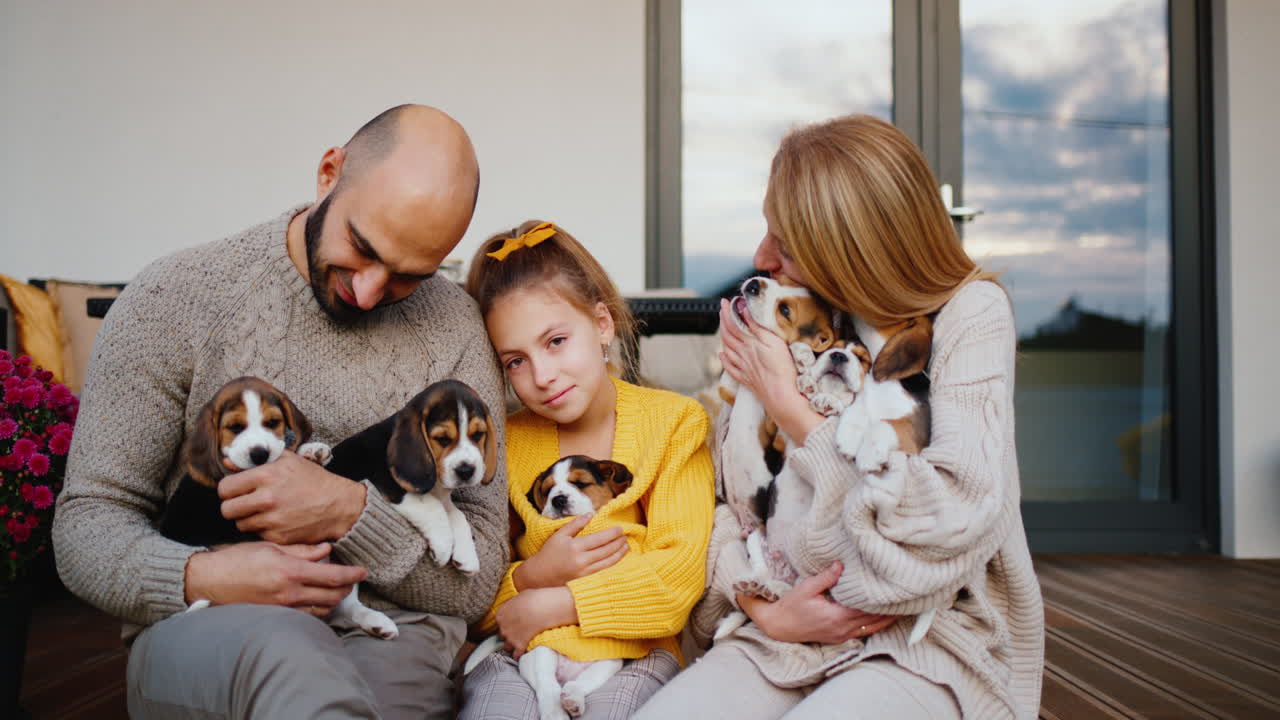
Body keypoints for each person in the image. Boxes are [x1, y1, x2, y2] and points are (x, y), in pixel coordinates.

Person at [53, 104, 510, 720]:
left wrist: (348, 511)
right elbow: (87, 524)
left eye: (409, 276)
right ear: (328, 173)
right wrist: (202, 575)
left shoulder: (454, 326)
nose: (368, 291)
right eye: (362, 247)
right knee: (294, 672)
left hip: (397, 630)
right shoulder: (174, 297)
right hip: (214, 620)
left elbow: (480, 576)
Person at [635, 114, 1045, 720]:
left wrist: (790, 408)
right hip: (787, 630)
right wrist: (764, 608)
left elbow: (952, 525)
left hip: (930, 641)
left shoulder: (970, 317)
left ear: (854, 247)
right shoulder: (803, 316)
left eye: (786, 243)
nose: (760, 257)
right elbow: (726, 504)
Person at [458, 220, 716, 719]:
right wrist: (530, 577)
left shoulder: (674, 423)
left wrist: (554, 601)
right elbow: (472, 595)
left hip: (634, 652)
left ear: (602, 324)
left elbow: (677, 580)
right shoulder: (502, 443)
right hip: (521, 651)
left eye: (555, 341)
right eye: (515, 361)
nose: (542, 375)